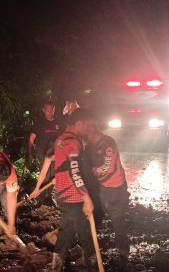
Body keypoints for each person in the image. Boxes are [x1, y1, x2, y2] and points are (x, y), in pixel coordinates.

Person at [50, 109, 96, 271]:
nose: (87, 129)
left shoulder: (60, 139)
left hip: (63, 192)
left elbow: (60, 163)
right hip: (73, 195)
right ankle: (92, 264)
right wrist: (86, 198)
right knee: (84, 232)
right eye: (85, 125)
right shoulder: (74, 142)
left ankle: (57, 265)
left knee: (67, 231)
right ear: (78, 124)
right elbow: (74, 171)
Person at [85, 121, 130, 260]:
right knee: (95, 216)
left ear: (93, 130)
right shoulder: (89, 145)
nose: (86, 137)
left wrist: (93, 172)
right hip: (100, 188)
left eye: (87, 134)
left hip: (115, 187)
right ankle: (90, 250)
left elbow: (108, 167)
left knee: (118, 219)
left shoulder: (108, 143)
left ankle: (123, 251)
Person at [28, 101, 62, 198]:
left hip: (56, 153)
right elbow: (31, 138)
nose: (50, 112)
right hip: (43, 153)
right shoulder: (39, 123)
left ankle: (49, 197)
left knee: (53, 175)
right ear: (44, 110)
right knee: (45, 175)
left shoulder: (58, 123)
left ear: (54, 109)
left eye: (52, 110)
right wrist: (29, 152)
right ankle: (40, 196)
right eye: (47, 110)